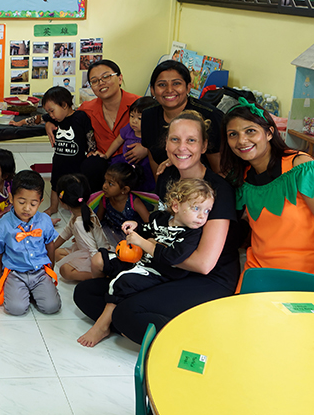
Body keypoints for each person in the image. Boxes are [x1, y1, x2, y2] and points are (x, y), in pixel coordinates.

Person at [74, 110, 243, 345]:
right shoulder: (168, 176)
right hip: (166, 267)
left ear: (204, 146)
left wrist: (150, 247)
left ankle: (197, 335)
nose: (181, 147)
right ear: (166, 143)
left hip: (206, 279)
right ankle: (137, 320)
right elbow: (161, 224)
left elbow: (204, 264)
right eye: (175, 139)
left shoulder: (217, 190)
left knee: (126, 312)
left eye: (191, 140)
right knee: (86, 292)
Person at [78, 178, 215, 347]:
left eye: (207, 211)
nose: (202, 216)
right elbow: (147, 228)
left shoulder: (191, 234)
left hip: (158, 272)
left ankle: (102, 326)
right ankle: (113, 296)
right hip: (142, 261)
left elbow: (172, 257)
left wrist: (143, 243)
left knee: (123, 281)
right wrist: (136, 226)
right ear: (176, 206)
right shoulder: (161, 218)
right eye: (196, 208)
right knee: (99, 259)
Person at [221, 100, 314, 290]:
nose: (241, 140)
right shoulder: (242, 178)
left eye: (250, 131)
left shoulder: (301, 167)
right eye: (233, 134)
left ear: (269, 133)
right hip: (261, 274)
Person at [0, 170, 60, 316]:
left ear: (41, 202)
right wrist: (0, 277)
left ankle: (33, 291)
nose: (27, 208)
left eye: (33, 203)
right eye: (22, 202)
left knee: (52, 307)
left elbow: (50, 244)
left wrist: (50, 268)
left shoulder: (44, 220)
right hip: (15, 272)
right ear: (11, 198)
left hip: (40, 271)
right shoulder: (2, 225)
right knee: (16, 309)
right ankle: (22, 292)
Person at [140, 60, 224, 177]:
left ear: (188, 87)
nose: (169, 90)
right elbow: (153, 159)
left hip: (203, 187)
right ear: (153, 90)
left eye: (176, 83)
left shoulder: (210, 116)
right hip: (168, 185)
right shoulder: (148, 116)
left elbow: (220, 170)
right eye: (162, 85)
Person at [78, 60, 142, 192]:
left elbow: (161, 130)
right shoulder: (86, 109)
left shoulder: (139, 104)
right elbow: (67, 119)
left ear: (119, 78)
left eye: (106, 77)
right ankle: (94, 206)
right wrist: (49, 122)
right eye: (95, 81)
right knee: (90, 164)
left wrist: (146, 148)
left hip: (133, 160)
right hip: (104, 161)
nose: (101, 82)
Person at [39, 86, 95, 217]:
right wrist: (20, 123)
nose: (51, 115)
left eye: (52, 111)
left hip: (77, 161)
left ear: (64, 105)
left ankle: (78, 206)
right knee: (55, 184)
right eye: (49, 112)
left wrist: (92, 150)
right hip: (59, 160)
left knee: (77, 185)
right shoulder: (54, 119)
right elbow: (38, 118)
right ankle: (53, 207)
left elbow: (89, 134)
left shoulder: (80, 117)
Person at [51, 174, 110, 282]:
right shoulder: (80, 211)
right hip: (84, 250)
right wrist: (50, 248)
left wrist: (99, 269)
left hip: (97, 257)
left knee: (65, 271)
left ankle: (101, 277)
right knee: (56, 253)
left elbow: (93, 251)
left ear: (62, 201)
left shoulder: (80, 222)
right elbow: (67, 232)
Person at [100, 96, 157, 192]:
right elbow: (118, 141)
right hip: (125, 161)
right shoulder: (128, 129)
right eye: (131, 116)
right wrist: (106, 155)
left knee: (144, 182)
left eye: (139, 118)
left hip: (144, 165)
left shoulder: (152, 133)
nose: (134, 121)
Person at [94, 163, 151, 247]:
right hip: (111, 233)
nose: (104, 186)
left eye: (110, 184)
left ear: (125, 189)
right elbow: (97, 221)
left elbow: (150, 223)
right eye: (105, 181)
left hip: (131, 236)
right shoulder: (104, 200)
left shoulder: (134, 202)